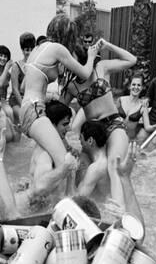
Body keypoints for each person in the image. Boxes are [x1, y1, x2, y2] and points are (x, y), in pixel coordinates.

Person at [0, 119, 144, 228]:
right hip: (104, 212)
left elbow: (11, 216)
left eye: (82, 138)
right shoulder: (103, 163)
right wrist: (125, 178)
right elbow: (138, 233)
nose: (79, 141)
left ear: (90, 141)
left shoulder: (96, 168)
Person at [20, 14, 101, 194]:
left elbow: (24, 85)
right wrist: (91, 55)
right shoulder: (57, 48)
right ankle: (68, 199)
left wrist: (45, 96)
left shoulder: (37, 50)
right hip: (35, 110)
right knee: (66, 162)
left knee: (49, 156)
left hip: (28, 109)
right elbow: (85, 73)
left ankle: (30, 188)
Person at [65, 38, 137, 208]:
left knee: (114, 165)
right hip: (92, 132)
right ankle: (92, 202)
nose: (69, 62)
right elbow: (60, 111)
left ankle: (118, 209)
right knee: (82, 167)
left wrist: (109, 46)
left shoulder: (101, 67)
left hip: (114, 124)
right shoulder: (72, 86)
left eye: (72, 58)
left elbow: (131, 60)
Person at [10, 32, 36, 124]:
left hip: (31, 98)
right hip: (17, 100)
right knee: (25, 115)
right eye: (27, 50)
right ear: (22, 50)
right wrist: (23, 105)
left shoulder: (36, 65)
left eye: (31, 49)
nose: (29, 52)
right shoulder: (16, 66)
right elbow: (15, 89)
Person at [117, 73, 148, 140]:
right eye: (133, 84)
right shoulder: (120, 100)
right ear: (129, 86)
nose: (136, 87)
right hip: (117, 137)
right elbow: (111, 118)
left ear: (142, 87)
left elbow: (148, 127)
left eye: (139, 85)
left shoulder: (143, 105)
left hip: (130, 139)